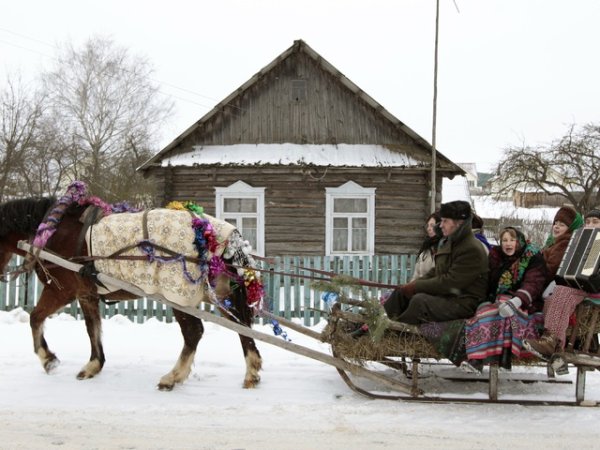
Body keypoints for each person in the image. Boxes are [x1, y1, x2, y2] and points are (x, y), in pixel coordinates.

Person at [383, 200, 489, 325]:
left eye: (445, 221)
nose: (440, 225)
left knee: (420, 301)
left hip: (464, 302)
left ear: (459, 223)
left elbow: (450, 282)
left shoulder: (471, 249)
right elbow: (437, 271)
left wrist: (416, 287)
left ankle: (398, 333)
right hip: (449, 296)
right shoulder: (450, 242)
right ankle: (380, 324)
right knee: (400, 293)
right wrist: (413, 285)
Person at [462, 227, 547, 371]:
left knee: (503, 314)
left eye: (512, 240)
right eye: (504, 240)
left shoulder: (532, 257)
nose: (508, 244)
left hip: (525, 301)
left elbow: (533, 283)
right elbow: (486, 280)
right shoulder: (496, 257)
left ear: (519, 241)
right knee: (482, 314)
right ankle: (499, 358)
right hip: (497, 299)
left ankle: (478, 360)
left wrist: (517, 300)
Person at [524, 209, 600, 359]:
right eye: (588, 222)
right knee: (554, 295)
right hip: (578, 286)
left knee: (562, 293)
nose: (590, 225)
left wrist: (593, 277)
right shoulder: (579, 239)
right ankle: (556, 347)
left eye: (595, 222)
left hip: (594, 290)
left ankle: (552, 342)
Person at [410, 211, 442, 282]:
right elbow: (416, 276)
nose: (428, 229)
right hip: (420, 289)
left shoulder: (445, 248)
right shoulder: (425, 250)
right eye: (428, 225)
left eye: (432, 226)